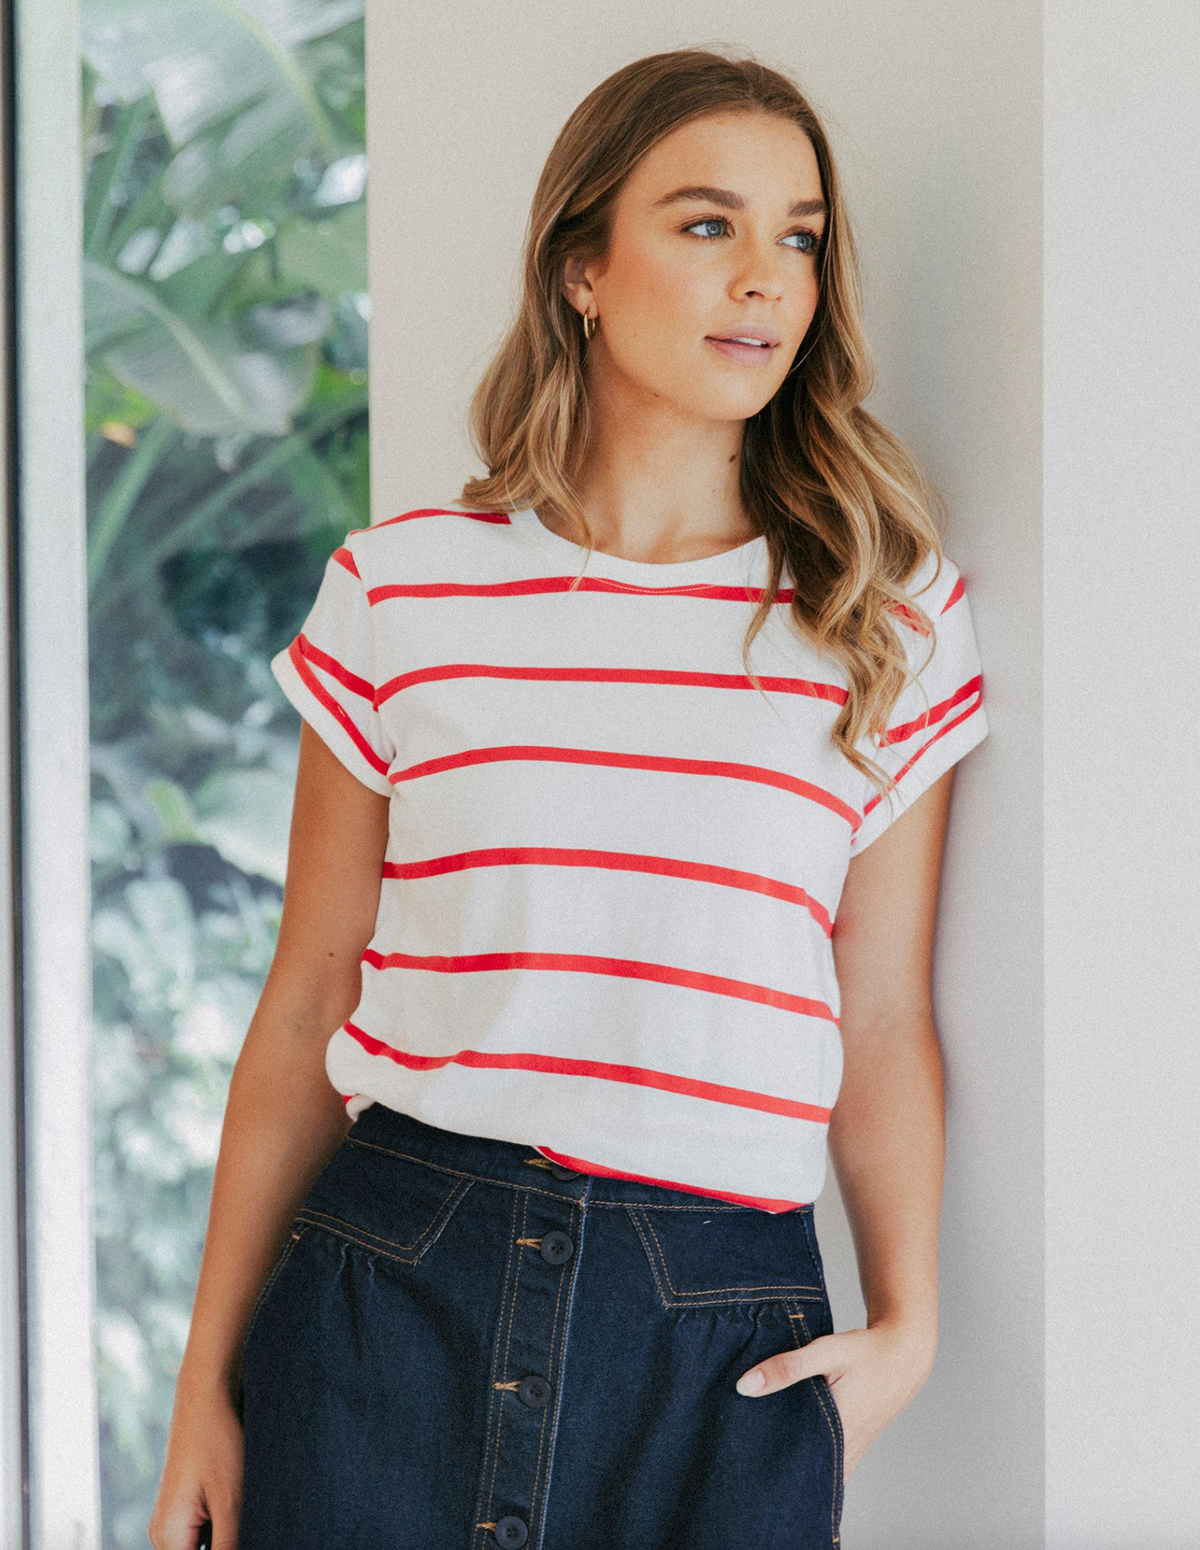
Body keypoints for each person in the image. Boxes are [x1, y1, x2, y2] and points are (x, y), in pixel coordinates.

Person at [149, 45, 988, 1550]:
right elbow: (309, 996)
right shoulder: (403, 590)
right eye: (708, 223)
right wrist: (202, 1387)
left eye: (800, 237)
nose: (766, 276)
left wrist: (910, 1321)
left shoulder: (885, 615)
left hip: (717, 1339)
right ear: (581, 266)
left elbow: (880, 1016)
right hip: (391, 1288)